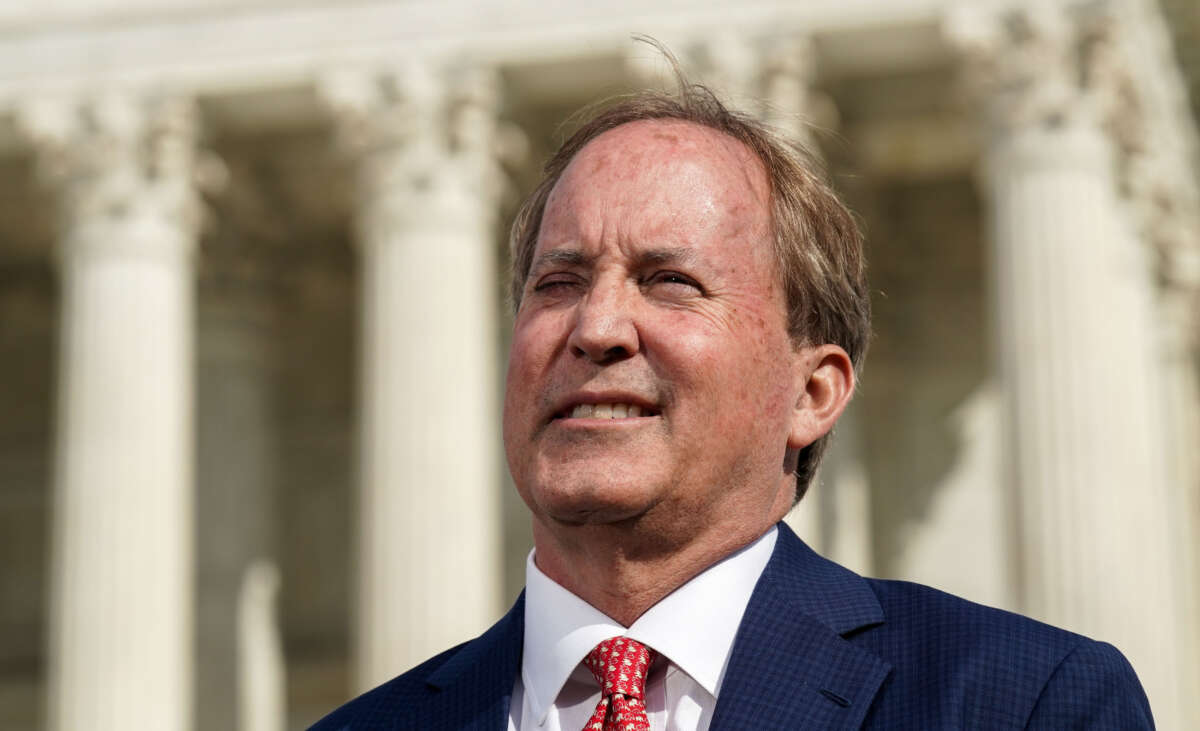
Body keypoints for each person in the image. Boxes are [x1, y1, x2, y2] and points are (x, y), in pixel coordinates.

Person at [313, 66, 1154, 730]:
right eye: (558, 281)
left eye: (670, 281)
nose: (596, 326)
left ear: (813, 391)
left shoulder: (1019, 704)